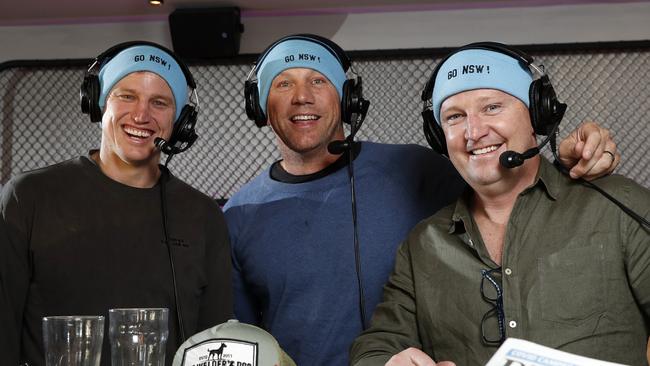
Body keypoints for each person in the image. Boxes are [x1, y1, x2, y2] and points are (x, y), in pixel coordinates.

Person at [223, 34, 620, 366]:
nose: (301, 97)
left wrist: (572, 166)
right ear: (260, 106)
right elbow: (240, 338)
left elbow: (508, 189)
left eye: (317, 81)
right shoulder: (237, 214)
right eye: (283, 84)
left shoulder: (416, 168)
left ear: (347, 98)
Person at [350, 42, 650, 366]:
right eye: (454, 117)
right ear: (439, 137)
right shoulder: (423, 244)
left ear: (538, 114)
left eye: (491, 107)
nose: (473, 132)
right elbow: (374, 348)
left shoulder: (620, 206)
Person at [0, 41, 233, 366]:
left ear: (180, 122)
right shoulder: (28, 196)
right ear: (97, 103)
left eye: (160, 102)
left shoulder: (204, 216)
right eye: (126, 96)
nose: (141, 114)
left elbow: (216, 340)